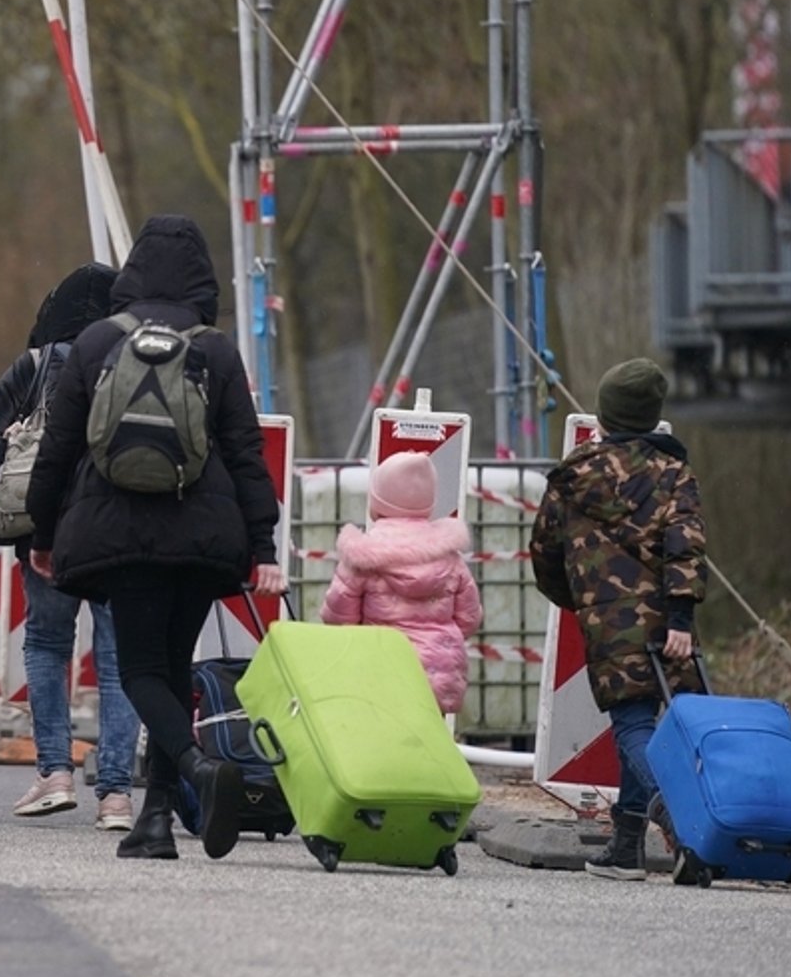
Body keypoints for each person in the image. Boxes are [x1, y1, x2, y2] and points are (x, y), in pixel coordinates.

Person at [24, 215, 284, 862]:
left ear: (134, 269)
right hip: (203, 538)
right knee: (171, 666)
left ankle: (197, 770)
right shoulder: (216, 349)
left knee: (140, 671)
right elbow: (247, 454)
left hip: (121, 532)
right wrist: (264, 545)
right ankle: (156, 819)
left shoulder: (94, 343)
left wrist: (43, 529)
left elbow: (57, 448)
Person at [0, 262, 140, 831]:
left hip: (48, 529)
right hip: (119, 527)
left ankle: (55, 774)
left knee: (46, 644)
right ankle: (116, 795)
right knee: (117, 661)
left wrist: (13, 436)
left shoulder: (39, 364)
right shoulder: (135, 358)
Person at [530, 358, 707, 882]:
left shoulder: (572, 477)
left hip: (609, 622)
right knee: (649, 724)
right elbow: (687, 548)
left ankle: (676, 820)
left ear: (603, 416)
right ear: (652, 418)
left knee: (632, 726)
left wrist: (580, 602)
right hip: (670, 623)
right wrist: (679, 616)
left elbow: (545, 555)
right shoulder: (674, 472)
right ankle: (628, 846)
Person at [319, 452, 483, 716]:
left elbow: (338, 618)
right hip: (438, 675)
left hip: (379, 671)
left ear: (377, 500)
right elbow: (469, 618)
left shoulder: (362, 556)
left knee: (383, 744)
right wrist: (438, 642)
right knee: (427, 744)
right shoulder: (451, 558)